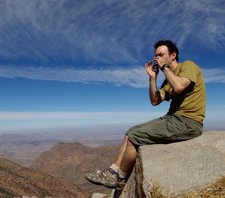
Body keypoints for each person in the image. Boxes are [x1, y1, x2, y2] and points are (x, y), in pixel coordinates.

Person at [85, 39, 206, 189]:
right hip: (173, 119)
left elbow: (180, 86)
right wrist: (152, 78)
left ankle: (120, 179)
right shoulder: (167, 80)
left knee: (135, 135)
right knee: (130, 132)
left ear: (173, 55)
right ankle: (112, 171)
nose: (157, 58)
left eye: (161, 55)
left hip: (188, 122)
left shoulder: (188, 66)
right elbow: (155, 101)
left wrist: (165, 68)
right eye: (156, 55)